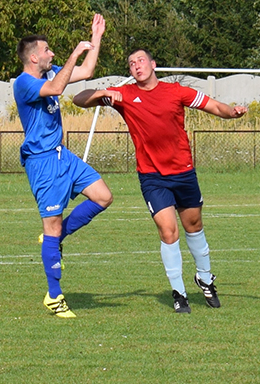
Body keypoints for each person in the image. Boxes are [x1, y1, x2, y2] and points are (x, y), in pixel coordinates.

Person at [73, 49, 248, 313]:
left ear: (153, 64)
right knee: (169, 232)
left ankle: (204, 277)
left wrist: (232, 113)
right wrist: (99, 94)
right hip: (153, 177)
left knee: (194, 226)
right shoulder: (125, 96)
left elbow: (214, 106)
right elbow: (79, 99)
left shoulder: (176, 91)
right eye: (131, 64)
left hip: (183, 173)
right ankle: (179, 293)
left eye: (140, 60)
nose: (136, 66)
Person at [14, 14, 113, 318]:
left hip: (63, 156)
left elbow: (86, 70)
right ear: (33, 57)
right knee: (52, 225)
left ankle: (54, 240)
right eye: (47, 51)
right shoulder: (24, 83)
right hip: (42, 162)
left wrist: (95, 38)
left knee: (103, 196)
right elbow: (57, 89)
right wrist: (73, 53)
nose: (51, 54)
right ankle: (54, 297)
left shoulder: (50, 73)